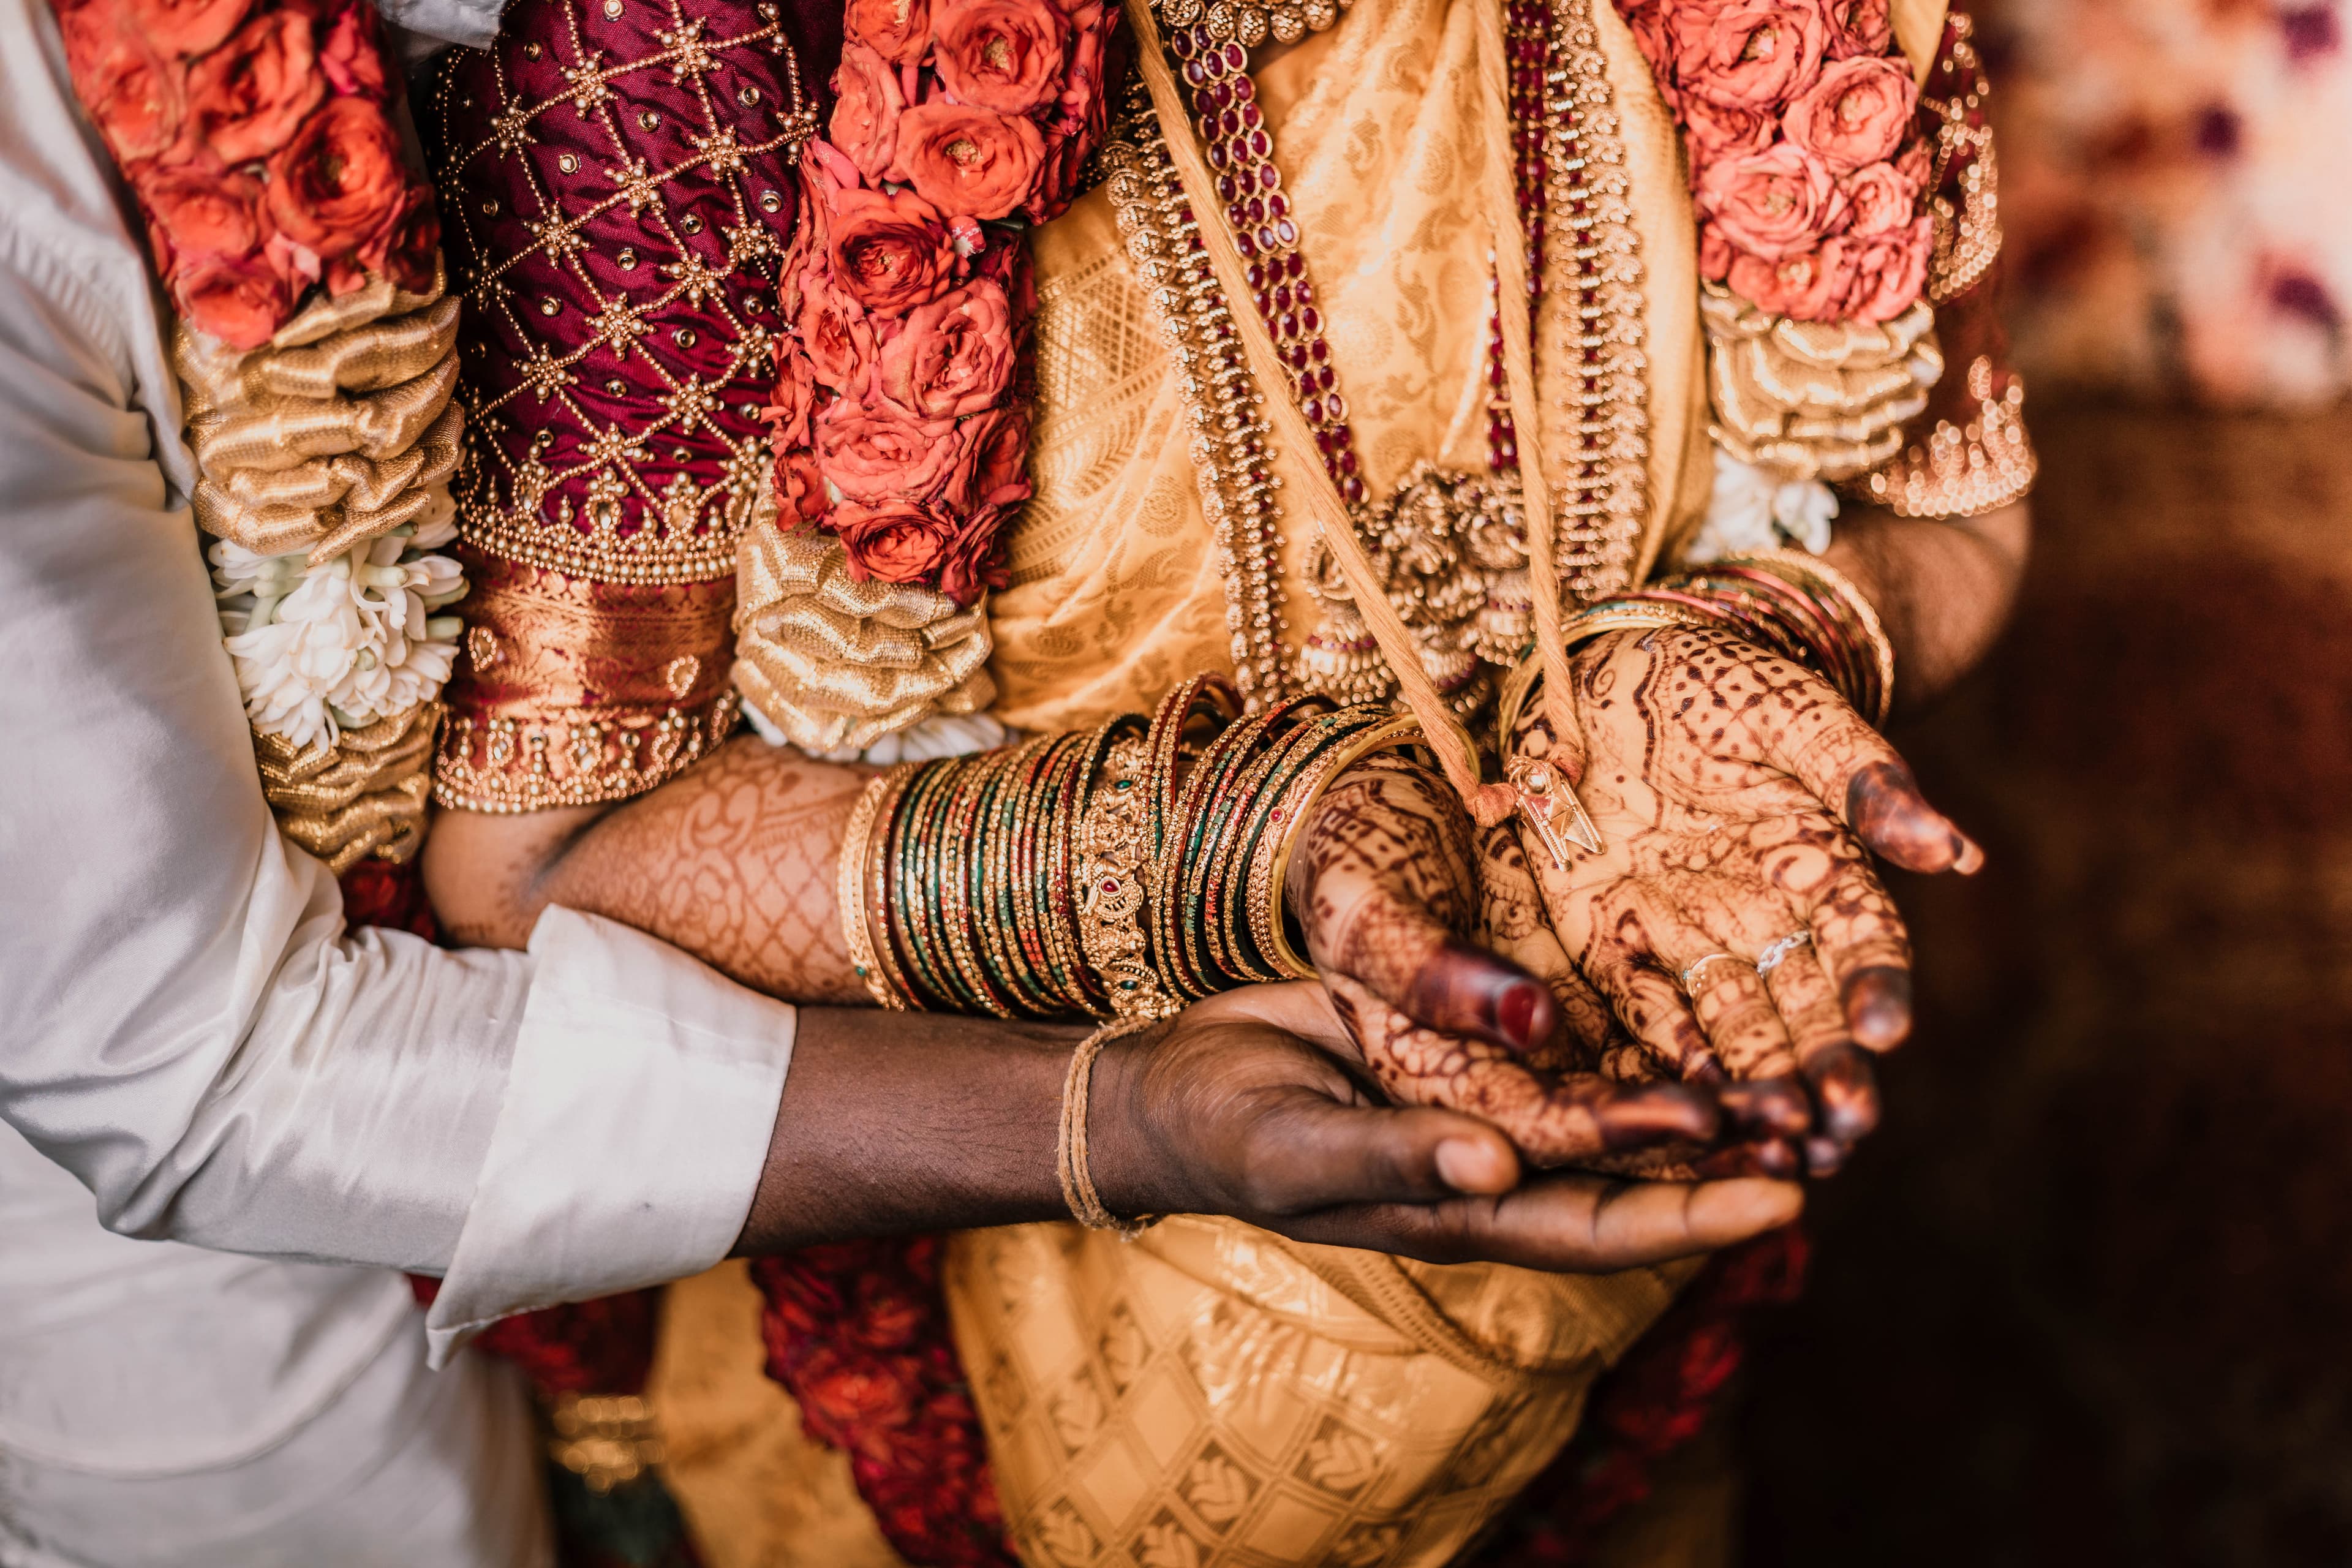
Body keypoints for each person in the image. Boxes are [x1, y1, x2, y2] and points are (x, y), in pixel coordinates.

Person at [0, 2, 1817, 1565]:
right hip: (443, 1285)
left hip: (1629, 1296)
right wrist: (1212, 905)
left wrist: (1768, 649)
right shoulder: (660, 69)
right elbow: (321, 998)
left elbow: (1898, 447)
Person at [398, 0, 2035, 1561]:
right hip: (984, 1383)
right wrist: (1245, 846)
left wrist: (1742, 645)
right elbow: (534, 865)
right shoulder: (682, 58)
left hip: (1628, 1344)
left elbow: (1962, 511)